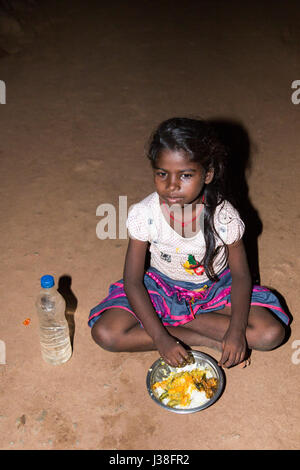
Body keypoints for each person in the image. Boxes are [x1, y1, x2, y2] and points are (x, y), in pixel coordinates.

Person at [89, 117, 289, 368]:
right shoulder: (144, 214)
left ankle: (175, 321)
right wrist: (160, 338)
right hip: (161, 289)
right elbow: (132, 280)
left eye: (185, 175)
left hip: (214, 289)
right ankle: (197, 338)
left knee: (269, 334)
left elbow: (240, 275)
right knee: (106, 333)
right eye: (162, 173)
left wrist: (236, 331)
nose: (171, 185)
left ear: (207, 175)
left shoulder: (223, 216)